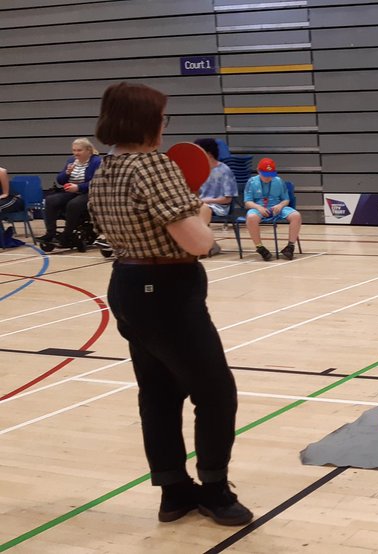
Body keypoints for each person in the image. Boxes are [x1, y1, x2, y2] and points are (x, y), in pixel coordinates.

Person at [86, 82, 252, 526]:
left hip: (127, 284)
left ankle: (173, 492)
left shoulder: (103, 167)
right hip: (167, 289)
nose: (164, 126)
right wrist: (200, 211)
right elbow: (199, 243)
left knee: (157, 393)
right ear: (146, 122)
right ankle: (214, 490)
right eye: (162, 118)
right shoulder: (153, 166)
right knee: (216, 393)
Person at [39, 138, 101, 248]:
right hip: (72, 190)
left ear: (88, 150)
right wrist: (67, 173)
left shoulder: (96, 161)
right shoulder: (71, 161)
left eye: (79, 150)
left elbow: (96, 182)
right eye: (74, 150)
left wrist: (78, 187)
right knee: (50, 200)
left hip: (89, 192)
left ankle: (67, 234)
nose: (76, 153)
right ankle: (50, 233)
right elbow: (60, 180)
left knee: (74, 204)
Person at [243, 158, 300, 261]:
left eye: (270, 174)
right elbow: (247, 202)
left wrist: (280, 205)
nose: (268, 177)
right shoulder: (251, 182)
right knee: (251, 217)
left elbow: (286, 199)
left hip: (276, 207)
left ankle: (290, 246)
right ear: (258, 171)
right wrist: (258, 207)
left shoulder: (279, 181)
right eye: (265, 174)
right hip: (258, 207)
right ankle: (260, 247)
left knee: (296, 216)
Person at [194, 138, 237, 257]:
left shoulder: (224, 171)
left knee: (202, 209)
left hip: (219, 206)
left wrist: (206, 201)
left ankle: (205, 245)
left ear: (208, 153)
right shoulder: (198, 169)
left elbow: (227, 199)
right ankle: (209, 244)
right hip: (200, 203)